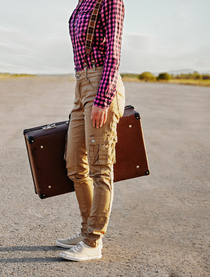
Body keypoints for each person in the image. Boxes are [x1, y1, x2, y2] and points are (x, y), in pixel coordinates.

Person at [57, 0, 125, 261]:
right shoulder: (82, 2)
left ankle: (93, 241)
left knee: (100, 167)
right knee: (75, 165)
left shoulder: (111, 0)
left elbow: (113, 52)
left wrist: (103, 99)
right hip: (81, 83)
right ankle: (86, 229)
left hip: (100, 85)